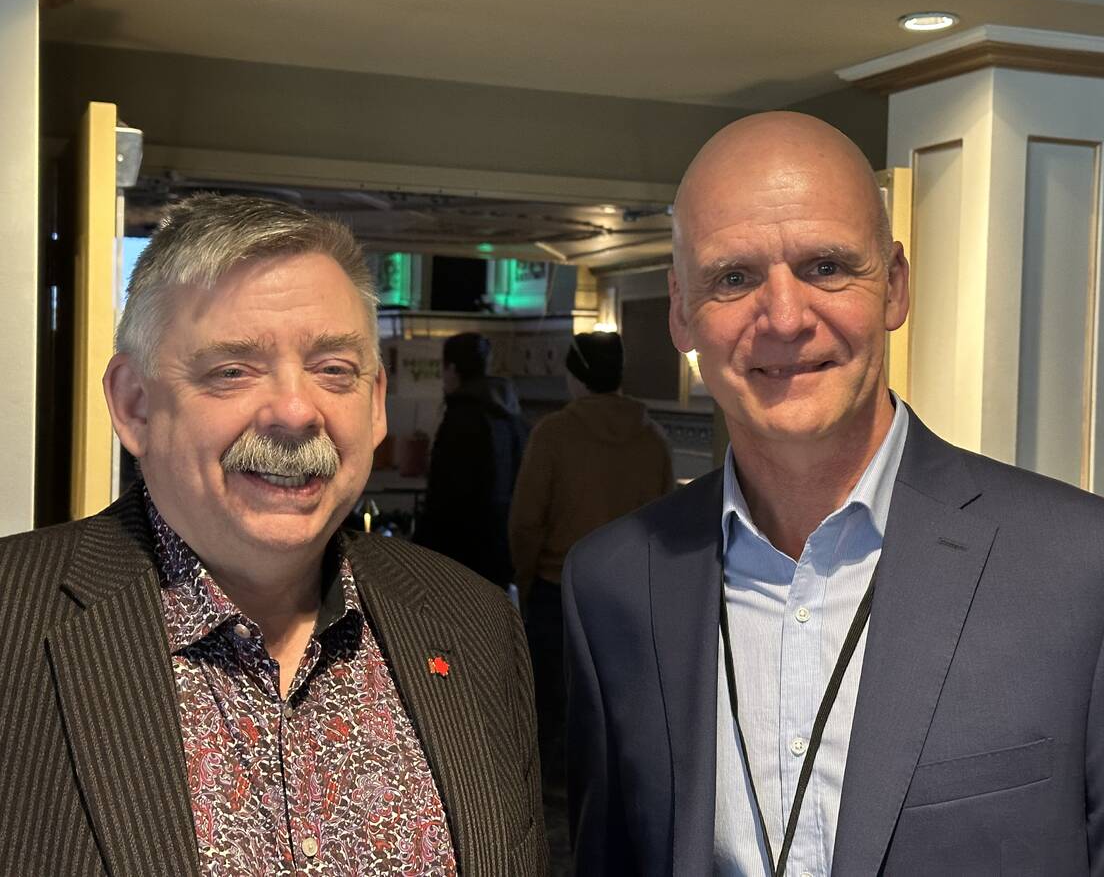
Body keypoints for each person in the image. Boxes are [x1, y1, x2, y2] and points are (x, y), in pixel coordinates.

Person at [563, 113, 1104, 875]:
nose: (786, 317)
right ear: (680, 312)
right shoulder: (612, 583)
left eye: (827, 267)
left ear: (894, 287)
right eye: (733, 277)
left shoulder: (1090, 572)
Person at [0, 195, 547, 875]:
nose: (295, 410)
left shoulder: (475, 624)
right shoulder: (11, 621)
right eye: (233, 369)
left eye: (334, 371)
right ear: (134, 405)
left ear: (374, 406)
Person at [508, 330, 674, 795]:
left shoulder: (554, 434)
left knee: (554, 706)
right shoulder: (653, 438)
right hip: (632, 599)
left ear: (576, 375)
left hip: (558, 590)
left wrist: (523, 578)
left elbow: (526, 521)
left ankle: (556, 797)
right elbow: (667, 525)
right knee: (616, 704)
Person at [414, 332, 527, 590]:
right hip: (500, 550)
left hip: (461, 555)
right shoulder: (511, 417)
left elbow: (445, 495)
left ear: (452, 368)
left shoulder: (460, 418)